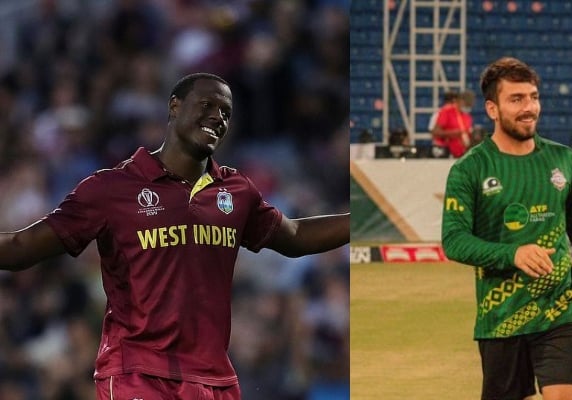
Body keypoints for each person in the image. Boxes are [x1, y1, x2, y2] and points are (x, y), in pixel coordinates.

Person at [0, 72, 350, 400]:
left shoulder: (236, 192)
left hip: (215, 380)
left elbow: (296, 235)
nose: (218, 117)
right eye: (207, 105)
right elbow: (21, 247)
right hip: (138, 373)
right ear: (174, 106)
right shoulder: (112, 189)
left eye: (226, 113)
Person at [441, 58, 572, 400]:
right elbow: (454, 241)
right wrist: (512, 253)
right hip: (501, 318)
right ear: (492, 109)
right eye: (516, 99)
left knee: (567, 395)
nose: (529, 108)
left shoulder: (563, 160)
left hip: (560, 311)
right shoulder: (469, 169)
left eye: (533, 97)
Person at [431, 89, 473, 158]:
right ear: (460, 101)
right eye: (466, 104)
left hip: (461, 154)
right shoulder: (447, 111)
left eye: (469, 106)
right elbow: (435, 132)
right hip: (445, 152)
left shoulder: (467, 116)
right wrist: (452, 133)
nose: (467, 107)